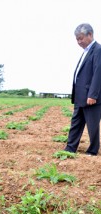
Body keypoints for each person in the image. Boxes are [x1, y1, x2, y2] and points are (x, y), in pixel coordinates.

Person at [64, 23, 101, 156]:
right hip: (80, 95)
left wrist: (93, 94)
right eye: (77, 39)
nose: (79, 42)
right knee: (76, 123)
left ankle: (92, 150)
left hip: (91, 97)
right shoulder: (86, 52)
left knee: (92, 126)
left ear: (90, 35)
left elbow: (98, 73)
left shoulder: (98, 50)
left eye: (81, 38)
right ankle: (70, 147)